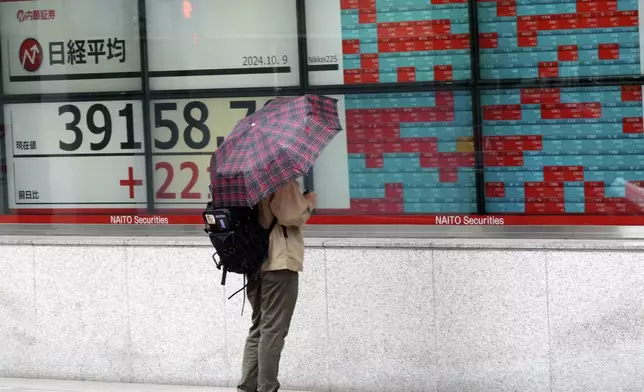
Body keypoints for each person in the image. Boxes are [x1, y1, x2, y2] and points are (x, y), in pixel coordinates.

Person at [237, 180, 317, 392]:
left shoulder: (240, 176)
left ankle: (247, 387)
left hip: (253, 262)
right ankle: (267, 388)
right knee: (273, 328)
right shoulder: (278, 177)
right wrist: (308, 202)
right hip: (278, 261)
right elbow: (291, 216)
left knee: (259, 326)